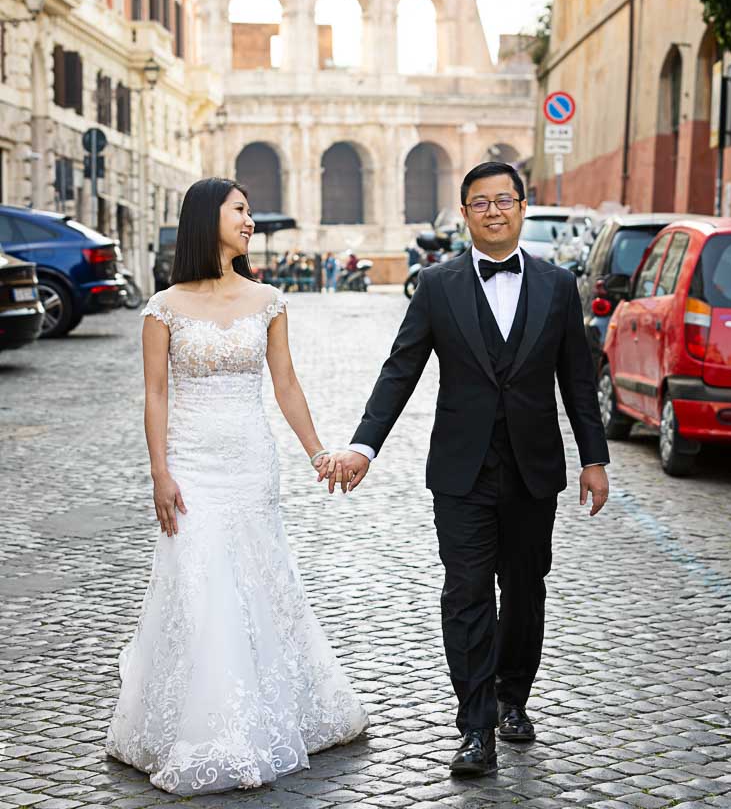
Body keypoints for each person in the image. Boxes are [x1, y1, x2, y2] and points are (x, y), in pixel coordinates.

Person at [319, 161, 609, 778]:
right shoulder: (437, 285)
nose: (495, 211)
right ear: (466, 214)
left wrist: (594, 458)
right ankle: (475, 727)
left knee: (526, 594)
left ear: (523, 208)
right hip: (461, 473)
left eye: (505, 200)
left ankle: (512, 698)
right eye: (481, 203)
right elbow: (400, 371)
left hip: (534, 472)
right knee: (467, 594)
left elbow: (578, 381)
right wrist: (363, 447)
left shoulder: (558, 287)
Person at [106, 177, 367, 794]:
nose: (249, 221)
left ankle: (274, 711)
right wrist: (160, 473)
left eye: (250, 212)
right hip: (192, 467)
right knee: (199, 582)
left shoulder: (270, 300)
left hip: (252, 464)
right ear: (207, 220)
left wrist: (318, 453)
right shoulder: (162, 307)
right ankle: (204, 725)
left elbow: (286, 386)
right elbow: (155, 393)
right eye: (240, 211)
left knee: (257, 578)